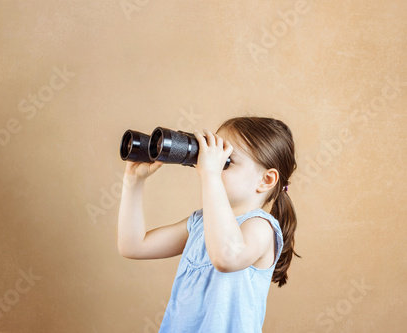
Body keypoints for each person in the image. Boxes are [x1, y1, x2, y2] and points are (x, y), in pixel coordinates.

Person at [117, 116, 301, 332]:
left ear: (266, 180)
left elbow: (226, 257)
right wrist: (133, 181)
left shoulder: (260, 227)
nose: (208, 165)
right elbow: (133, 246)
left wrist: (211, 175)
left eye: (226, 161)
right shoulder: (200, 223)